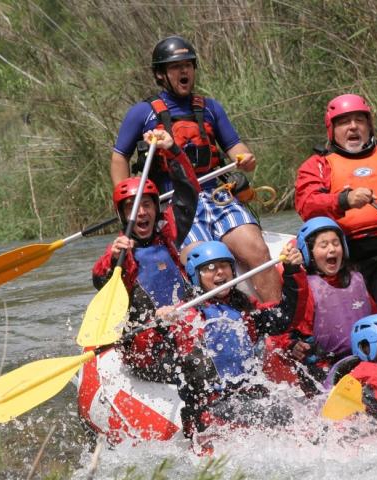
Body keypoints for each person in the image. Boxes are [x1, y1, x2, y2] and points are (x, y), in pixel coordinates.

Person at [111, 35, 280, 303]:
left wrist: (245, 159)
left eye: (188, 65)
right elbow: (119, 156)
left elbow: (238, 150)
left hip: (217, 194)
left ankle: (278, 323)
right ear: (160, 74)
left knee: (256, 250)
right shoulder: (141, 114)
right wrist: (126, 204)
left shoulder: (210, 108)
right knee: (203, 263)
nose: (184, 71)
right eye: (176, 66)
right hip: (174, 205)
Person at [295, 94, 377, 319]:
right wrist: (343, 200)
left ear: (369, 125)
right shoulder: (317, 166)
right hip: (342, 256)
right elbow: (307, 205)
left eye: (359, 120)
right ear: (332, 130)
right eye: (343, 122)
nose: (353, 127)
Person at [92, 129, 199, 381]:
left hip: (184, 330)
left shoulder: (169, 234)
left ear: (156, 208)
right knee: (197, 365)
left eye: (147, 204)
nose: (141, 212)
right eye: (133, 207)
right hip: (147, 347)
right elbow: (100, 282)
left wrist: (172, 150)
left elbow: (189, 192)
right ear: (122, 214)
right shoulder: (120, 252)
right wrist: (112, 261)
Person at [172, 239, 307, 437]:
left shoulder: (245, 310)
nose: (219, 272)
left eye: (224, 266)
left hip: (247, 397)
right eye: (210, 268)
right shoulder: (186, 316)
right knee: (278, 415)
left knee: (291, 413)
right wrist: (162, 321)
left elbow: (285, 318)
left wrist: (292, 272)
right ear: (196, 275)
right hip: (210, 408)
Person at [263, 217, 377, 395]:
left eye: (335, 243)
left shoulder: (356, 280)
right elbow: (284, 328)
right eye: (323, 245)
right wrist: (292, 344)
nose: (332, 249)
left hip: (362, 358)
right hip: (324, 366)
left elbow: (375, 318)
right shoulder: (306, 288)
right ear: (309, 253)